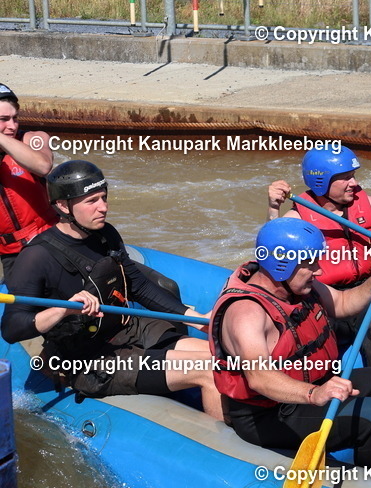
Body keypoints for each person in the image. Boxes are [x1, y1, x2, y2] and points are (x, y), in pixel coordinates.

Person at [0, 160, 222, 419]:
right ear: (63, 206)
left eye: (104, 197)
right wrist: (61, 309)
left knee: (223, 358)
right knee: (207, 370)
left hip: (127, 329)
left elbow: (136, 284)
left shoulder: (106, 234)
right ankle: (232, 452)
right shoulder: (36, 257)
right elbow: (12, 328)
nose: (103, 207)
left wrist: (194, 319)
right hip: (88, 360)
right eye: (91, 201)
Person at [209, 217, 371, 467]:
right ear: (281, 265)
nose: (318, 270)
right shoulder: (246, 314)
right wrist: (314, 394)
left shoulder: (296, 283)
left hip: (314, 384)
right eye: (310, 264)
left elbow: (342, 303)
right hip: (269, 413)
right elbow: (260, 377)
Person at [267, 147, 371, 289]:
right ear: (322, 182)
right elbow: (272, 255)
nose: (354, 183)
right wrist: (274, 209)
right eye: (346, 178)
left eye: (353, 176)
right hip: (329, 294)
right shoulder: (298, 218)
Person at [0, 83, 58, 275]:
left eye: (15, 118)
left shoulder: (34, 138)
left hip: (50, 239)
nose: (12, 126)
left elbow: (43, 166)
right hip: (12, 254)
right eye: (4, 119)